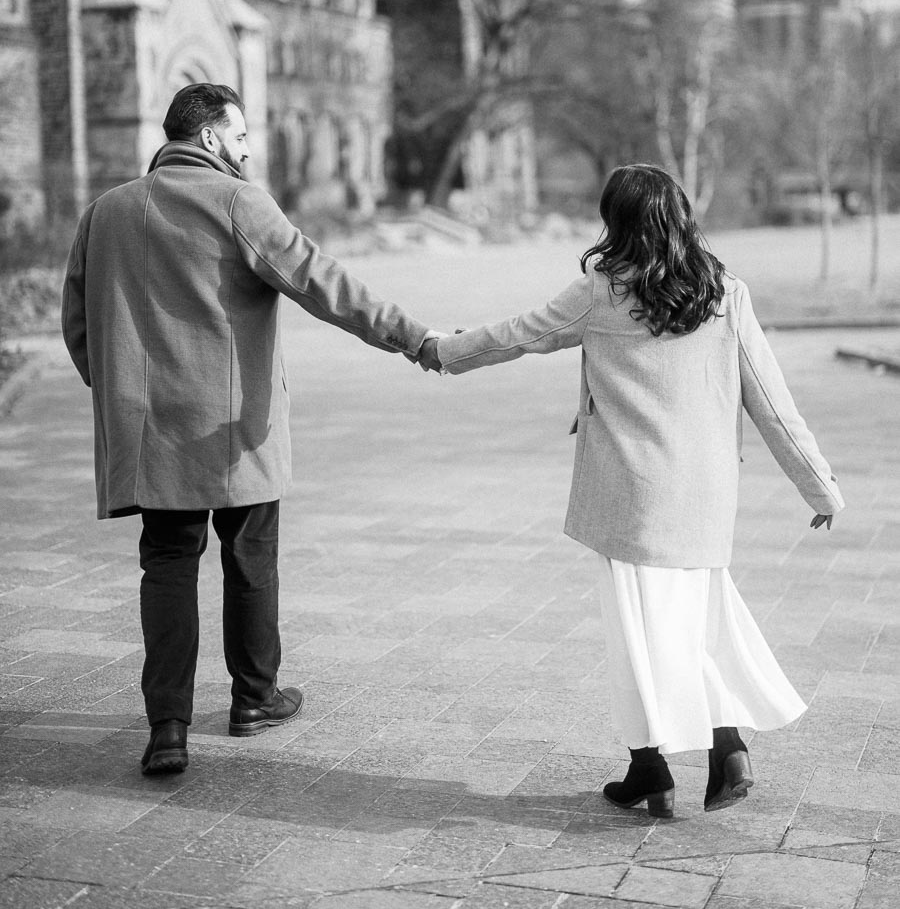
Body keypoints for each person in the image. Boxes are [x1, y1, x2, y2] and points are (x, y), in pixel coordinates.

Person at [422, 164, 844, 817]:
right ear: (681, 217)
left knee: (643, 636)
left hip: (631, 496)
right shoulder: (726, 294)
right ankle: (680, 760)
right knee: (696, 623)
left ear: (617, 224)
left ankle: (686, 755)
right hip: (704, 499)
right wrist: (820, 488)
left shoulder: (602, 291)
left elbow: (519, 334)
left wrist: (443, 350)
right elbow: (772, 403)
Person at [62, 83, 441, 776]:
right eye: (240, 138)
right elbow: (324, 282)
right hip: (235, 429)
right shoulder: (238, 202)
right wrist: (414, 338)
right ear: (209, 138)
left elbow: (78, 324)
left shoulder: (105, 212)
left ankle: (168, 729)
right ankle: (254, 699)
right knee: (249, 558)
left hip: (151, 430)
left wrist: (120, 394)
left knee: (168, 564)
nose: (246, 151)